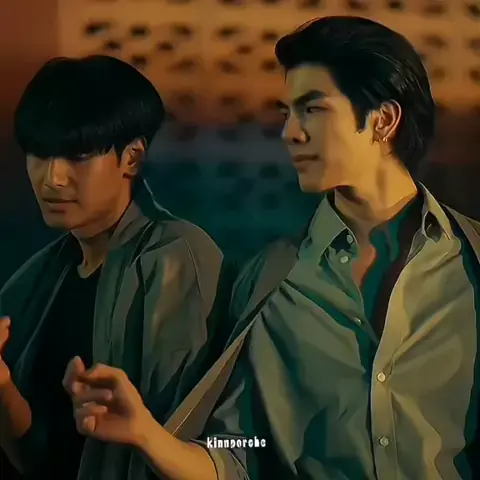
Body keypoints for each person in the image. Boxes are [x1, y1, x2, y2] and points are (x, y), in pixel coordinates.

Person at [57, 16, 480, 480]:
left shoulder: (471, 261)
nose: (290, 133)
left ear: (382, 120)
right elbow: (240, 451)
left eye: (312, 109)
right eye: (287, 113)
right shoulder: (273, 280)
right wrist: (147, 435)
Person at [0, 55, 234, 480]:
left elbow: (210, 440)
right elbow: (42, 454)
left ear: (131, 158)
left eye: (77, 156)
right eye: (40, 154)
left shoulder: (175, 258)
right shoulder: (34, 280)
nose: (52, 178)